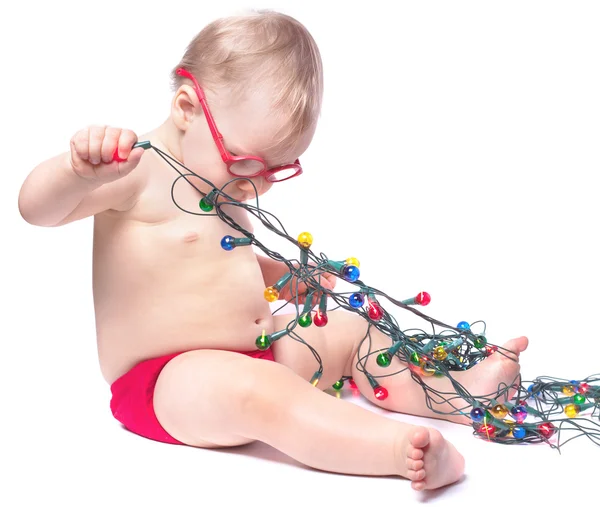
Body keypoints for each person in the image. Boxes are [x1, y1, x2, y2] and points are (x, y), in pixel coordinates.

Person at [18, 10, 528, 491]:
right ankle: (399, 451)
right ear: (187, 109)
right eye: (246, 164)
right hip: (166, 385)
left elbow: (219, 265)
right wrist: (75, 171)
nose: (254, 186)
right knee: (262, 393)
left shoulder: (221, 182)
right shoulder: (132, 170)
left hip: (261, 354)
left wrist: (281, 277)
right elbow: (36, 209)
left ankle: (463, 393)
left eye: (276, 171)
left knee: (353, 331)